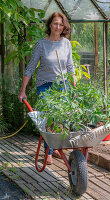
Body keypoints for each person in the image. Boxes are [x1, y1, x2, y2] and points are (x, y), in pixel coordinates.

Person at [18, 12, 76, 164]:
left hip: (62, 86)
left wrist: (74, 89)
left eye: (61, 24)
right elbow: (30, 67)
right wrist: (23, 90)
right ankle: (48, 151)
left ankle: (55, 148)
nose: (58, 27)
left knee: (61, 118)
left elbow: (70, 68)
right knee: (49, 116)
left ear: (64, 27)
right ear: (50, 24)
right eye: (55, 23)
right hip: (44, 85)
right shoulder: (41, 44)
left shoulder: (66, 44)